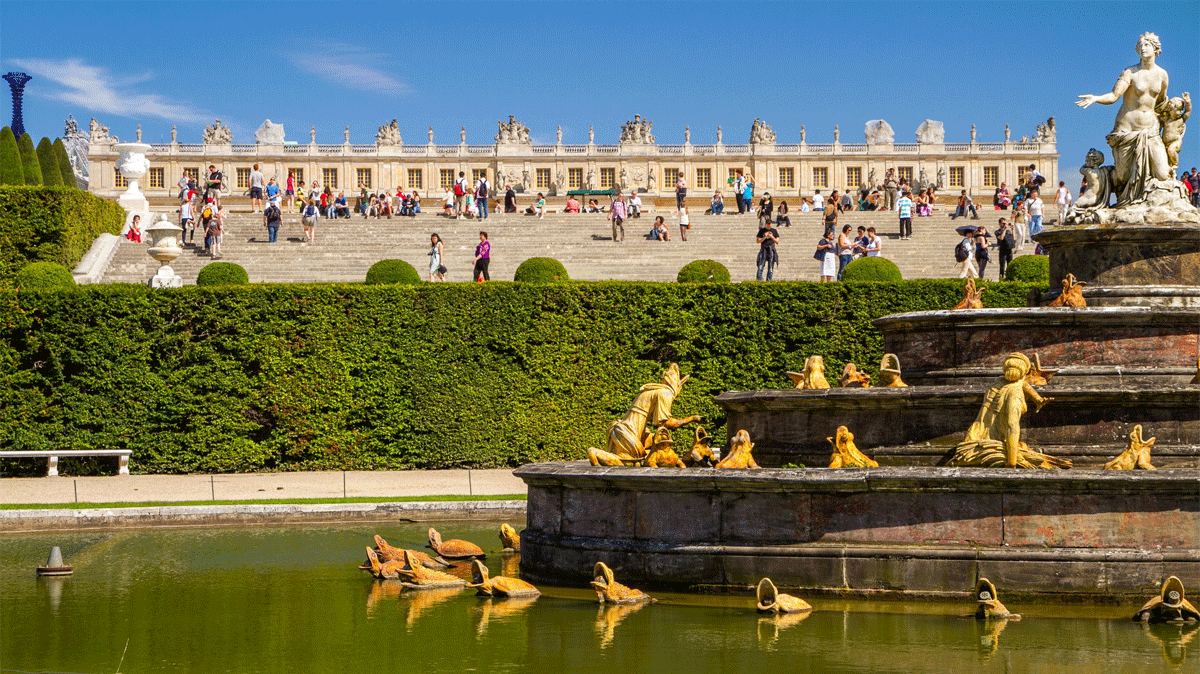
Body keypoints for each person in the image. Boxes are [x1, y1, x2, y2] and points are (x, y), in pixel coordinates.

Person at [1075, 32, 1173, 206]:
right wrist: (1095, 98)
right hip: (1127, 130)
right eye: (1140, 46)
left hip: (1150, 130)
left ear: (1156, 48)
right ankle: (1099, 178)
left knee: (1163, 174)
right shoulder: (1130, 72)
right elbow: (1114, 96)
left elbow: (1161, 103)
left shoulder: (1162, 75)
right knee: (1122, 176)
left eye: (1147, 45)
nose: (1143, 48)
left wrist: (1180, 113)